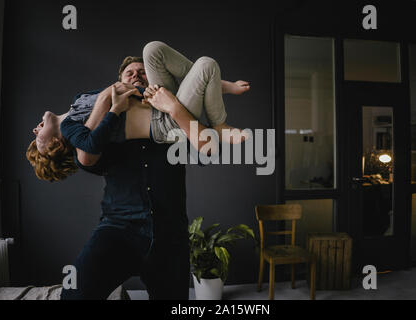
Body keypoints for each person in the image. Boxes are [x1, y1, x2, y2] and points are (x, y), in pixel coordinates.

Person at [27, 41, 250, 299]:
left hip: (170, 237)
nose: (136, 75)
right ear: (118, 85)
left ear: (154, 77)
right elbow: (86, 154)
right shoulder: (98, 132)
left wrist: (174, 108)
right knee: (74, 295)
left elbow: (210, 149)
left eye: (142, 72)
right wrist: (107, 103)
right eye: (129, 73)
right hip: (119, 231)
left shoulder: (172, 108)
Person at [27, 41, 250, 182]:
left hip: (163, 98)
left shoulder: (79, 102)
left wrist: (150, 94)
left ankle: (221, 85)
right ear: (56, 142)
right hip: (165, 122)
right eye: (129, 74)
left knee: (152, 49)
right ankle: (219, 123)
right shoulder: (75, 131)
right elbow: (88, 149)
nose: (35, 130)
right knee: (205, 65)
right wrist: (114, 106)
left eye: (142, 72)